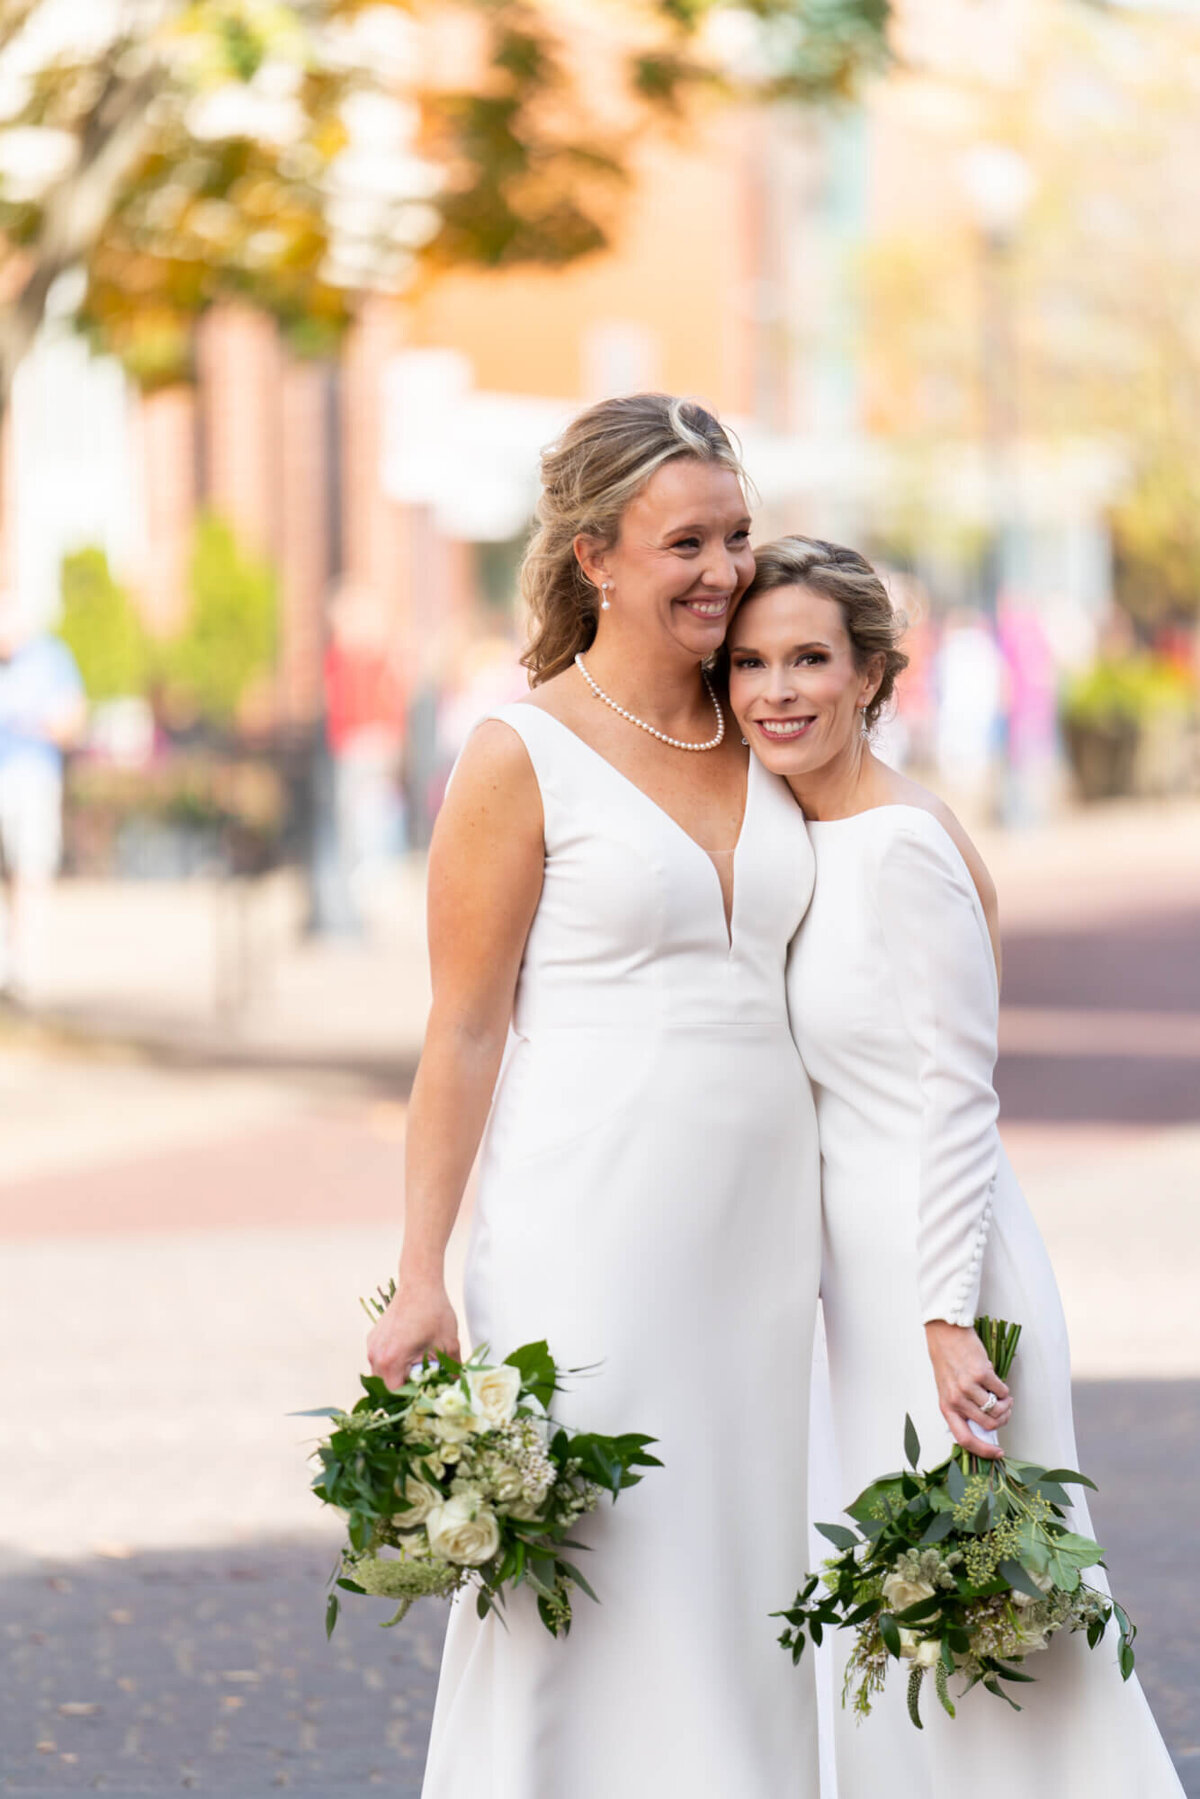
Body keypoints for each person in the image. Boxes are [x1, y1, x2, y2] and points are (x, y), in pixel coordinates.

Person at [365, 396, 821, 1797]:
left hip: (779, 1241)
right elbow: (462, 1027)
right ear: (593, 555)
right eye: (686, 540)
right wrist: (419, 1272)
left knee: (760, 1578)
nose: (723, 570)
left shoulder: (780, 724)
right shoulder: (523, 752)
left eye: (738, 535)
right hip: (593, 1234)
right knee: (600, 1586)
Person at [726, 536, 1184, 1795]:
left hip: (946, 1278)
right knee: (915, 1626)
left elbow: (953, 1096)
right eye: (752, 662)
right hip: (868, 1286)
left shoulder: (902, 845)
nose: (778, 689)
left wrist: (941, 1310)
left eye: (811, 657)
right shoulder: (802, 834)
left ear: (874, 674)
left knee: (997, 1630)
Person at [0, 595, 85, 1003]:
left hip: (31, 777)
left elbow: (72, 719)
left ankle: (25, 969)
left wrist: (39, 724)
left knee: (30, 870)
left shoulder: (50, 657)